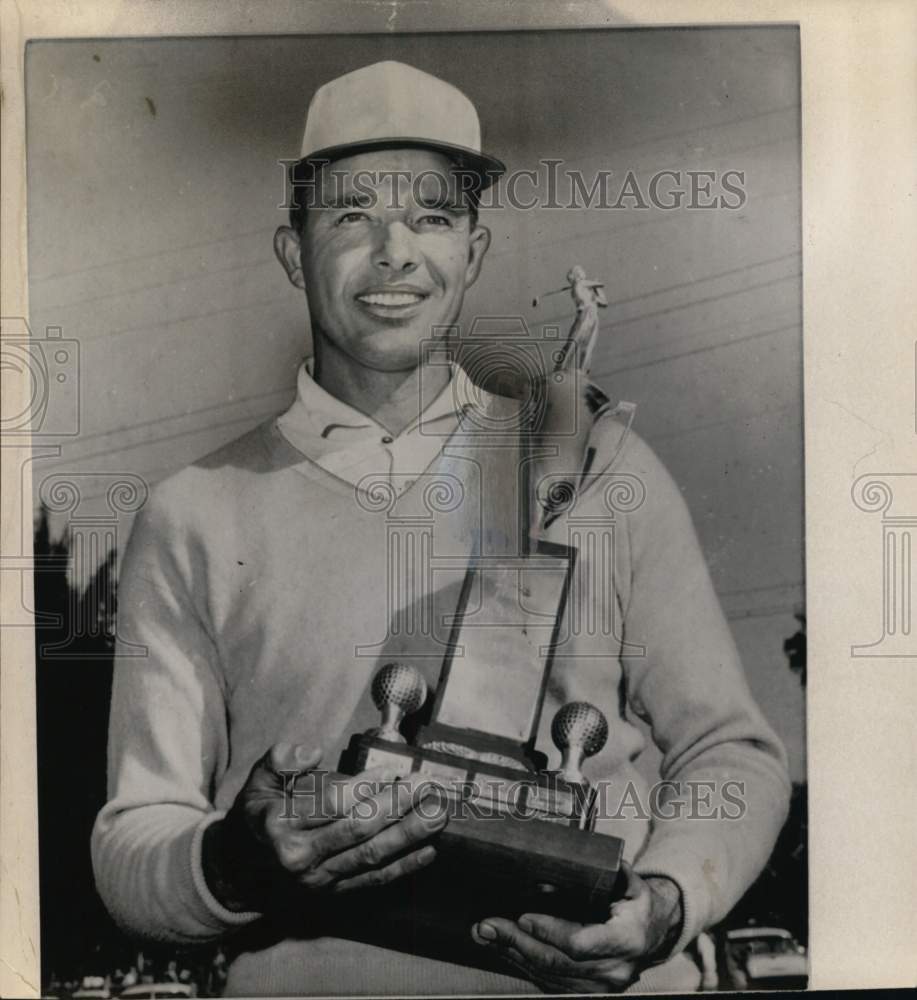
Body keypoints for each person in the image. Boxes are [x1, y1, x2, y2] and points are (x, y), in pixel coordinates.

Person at [91, 60, 791, 995]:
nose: (394, 252)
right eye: (350, 215)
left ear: (474, 250)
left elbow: (731, 753)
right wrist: (234, 863)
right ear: (293, 251)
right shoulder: (193, 511)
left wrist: (669, 901)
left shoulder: (594, 462)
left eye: (431, 215)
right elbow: (133, 837)